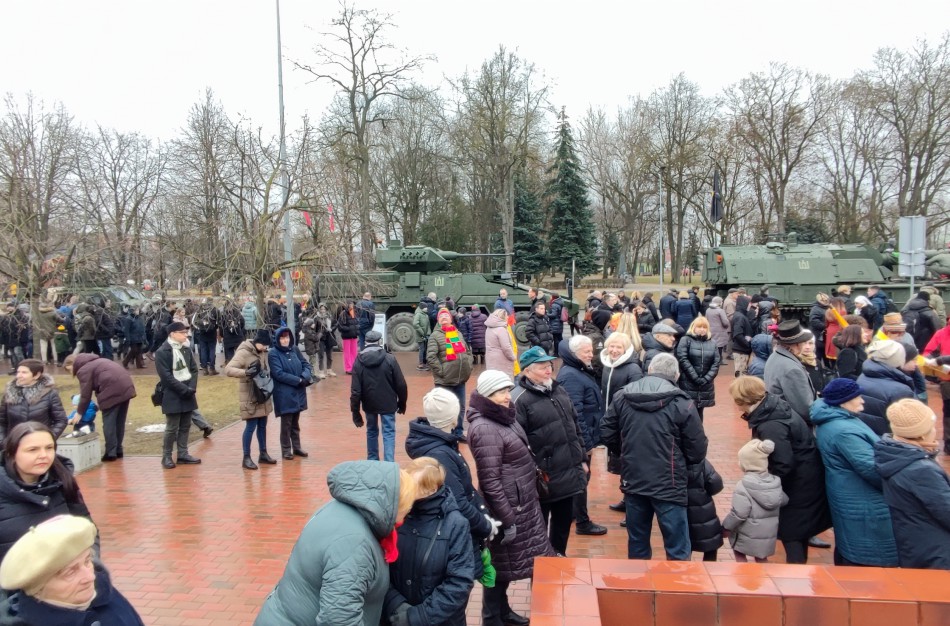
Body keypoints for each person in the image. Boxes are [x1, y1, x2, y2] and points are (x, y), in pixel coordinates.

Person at [254, 461, 419, 626]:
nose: (407, 515)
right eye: (408, 507)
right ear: (395, 505)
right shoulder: (354, 544)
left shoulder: (339, 508)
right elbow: (339, 618)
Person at [600, 353, 709, 560]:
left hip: (634, 478)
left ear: (649, 370)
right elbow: (697, 447)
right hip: (670, 482)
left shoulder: (622, 396)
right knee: (677, 546)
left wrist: (626, 452)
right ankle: (676, 587)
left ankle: (641, 586)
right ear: (676, 375)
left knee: (637, 543)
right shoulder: (682, 402)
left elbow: (607, 432)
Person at [467, 370, 553, 626]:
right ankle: (492, 618)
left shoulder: (503, 416)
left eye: (507, 390)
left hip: (523, 503)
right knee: (500, 567)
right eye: (502, 392)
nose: (508, 396)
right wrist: (508, 519)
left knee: (505, 567)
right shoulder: (485, 427)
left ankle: (503, 613)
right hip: (509, 509)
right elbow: (490, 482)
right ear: (487, 395)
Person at [729, 376, 832, 563]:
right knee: (797, 531)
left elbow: (783, 462)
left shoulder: (771, 424)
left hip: (799, 483)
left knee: (792, 531)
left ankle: (795, 573)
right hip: (806, 475)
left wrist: (767, 485)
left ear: (742, 400)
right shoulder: (774, 408)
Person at [405, 388, 498, 579]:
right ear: (453, 418)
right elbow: (459, 501)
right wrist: (485, 526)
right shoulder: (440, 453)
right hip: (452, 536)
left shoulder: (439, 445)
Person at [810, 378, 898, 567]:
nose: (862, 401)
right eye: (858, 397)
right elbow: (872, 470)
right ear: (843, 401)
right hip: (862, 502)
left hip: (853, 496)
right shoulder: (844, 431)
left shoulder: (841, 420)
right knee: (866, 557)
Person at [511, 346, 588, 555]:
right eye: (542, 367)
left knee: (562, 526)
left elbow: (574, 425)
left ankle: (558, 559)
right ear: (526, 371)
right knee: (539, 531)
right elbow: (517, 444)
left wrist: (582, 458)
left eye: (549, 365)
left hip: (568, 474)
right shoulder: (519, 399)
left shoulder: (558, 389)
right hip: (542, 480)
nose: (548, 370)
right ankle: (542, 570)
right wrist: (534, 472)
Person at [0, 515, 144, 625]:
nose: (90, 577)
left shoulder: (105, 594)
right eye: (70, 572)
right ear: (38, 589)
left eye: (87, 561)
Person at [383, 457, 475, 626]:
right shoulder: (395, 515)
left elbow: (459, 581)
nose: (405, 488)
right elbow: (379, 568)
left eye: (413, 485)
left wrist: (418, 617)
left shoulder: (456, 524)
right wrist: (397, 606)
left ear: (431, 489)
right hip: (395, 619)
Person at [0, 421, 95, 562]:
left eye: (49, 448)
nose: (43, 455)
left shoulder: (63, 481)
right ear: (11, 453)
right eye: (33, 450)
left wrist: (92, 563)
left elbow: (88, 530)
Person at [875, 399, 950, 570]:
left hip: (916, 545)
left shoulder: (893, 454)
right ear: (922, 434)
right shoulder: (921, 470)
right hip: (938, 553)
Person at [555, 336, 608, 537]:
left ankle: (573, 514)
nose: (591, 354)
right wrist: (585, 443)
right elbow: (574, 413)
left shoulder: (578, 371)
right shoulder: (571, 376)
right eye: (586, 351)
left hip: (585, 436)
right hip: (580, 440)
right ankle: (582, 522)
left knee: (581, 477)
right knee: (580, 478)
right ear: (574, 353)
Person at [63, 353, 137, 462]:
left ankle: (110, 453)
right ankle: (118, 450)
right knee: (119, 421)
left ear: (73, 363)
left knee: (109, 422)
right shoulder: (97, 361)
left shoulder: (83, 370)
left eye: (70, 369)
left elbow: (85, 395)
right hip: (126, 387)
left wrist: (79, 413)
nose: (71, 373)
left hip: (111, 390)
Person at [723, 439, 787, 563]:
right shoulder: (775, 482)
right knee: (762, 558)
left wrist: (726, 527)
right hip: (767, 534)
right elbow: (783, 500)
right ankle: (764, 580)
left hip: (746, 533)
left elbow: (739, 513)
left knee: (739, 552)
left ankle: (743, 576)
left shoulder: (743, 485)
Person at [351, 330, 407, 462]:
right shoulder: (390, 359)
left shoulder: (359, 361)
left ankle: (372, 461)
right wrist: (402, 403)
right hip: (388, 403)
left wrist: (355, 412)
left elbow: (355, 391)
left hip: (369, 403)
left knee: (371, 431)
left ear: (365, 343)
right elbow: (401, 384)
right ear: (380, 342)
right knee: (388, 433)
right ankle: (389, 463)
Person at [225, 329, 277, 470]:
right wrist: (246, 373)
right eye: (264, 345)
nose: (266, 348)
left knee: (262, 425)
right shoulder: (243, 352)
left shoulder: (262, 352)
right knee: (250, 427)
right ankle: (246, 457)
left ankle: (263, 453)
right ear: (257, 342)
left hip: (262, 393)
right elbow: (228, 369)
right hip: (250, 395)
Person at [154, 321, 201, 469]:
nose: (185, 335)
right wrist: (183, 389)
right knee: (172, 427)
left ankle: (183, 453)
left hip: (188, 391)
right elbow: (166, 377)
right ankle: (167, 456)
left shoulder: (186, 349)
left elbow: (194, 369)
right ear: (172, 334)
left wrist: (192, 387)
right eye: (182, 332)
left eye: (186, 332)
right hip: (173, 393)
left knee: (186, 425)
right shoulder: (163, 352)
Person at [427, 308, 473, 440]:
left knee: (460, 407)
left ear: (451, 318)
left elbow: (467, 351)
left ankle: (458, 433)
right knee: (444, 409)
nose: (444, 318)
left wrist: (468, 365)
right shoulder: (435, 336)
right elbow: (431, 357)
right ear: (438, 321)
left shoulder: (457, 333)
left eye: (446, 316)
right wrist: (442, 371)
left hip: (460, 379)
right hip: (444, 381)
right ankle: (445, 434)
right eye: (441, 317)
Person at [269, 327, 313, 461]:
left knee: (295, 421)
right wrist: (298, 380)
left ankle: (297, 447)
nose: (285, 340)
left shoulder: (294, 349)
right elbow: (278, 373)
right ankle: (286, 449)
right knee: (286, 422)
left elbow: (306, 364)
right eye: (282, 338)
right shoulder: (273, 354)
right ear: (278, 339)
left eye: (287, 337)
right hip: (284, 393)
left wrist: (305, 376)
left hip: (298, 391)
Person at [0, 359, 67, 445]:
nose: (19, 375)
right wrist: (4, 442)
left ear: (36, 375)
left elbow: (61, 420)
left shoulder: (50, 394)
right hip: (13, 447)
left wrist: (48, 439)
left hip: (41, 446)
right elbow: (1, 422)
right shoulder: (9, 394)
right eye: (18, 372)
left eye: (24, 372)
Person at [763, 321, 816, 426]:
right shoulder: (792, 369)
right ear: (797, 344)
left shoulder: (775, 356)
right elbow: (805, 408)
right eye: (803, 342)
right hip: (793, 424)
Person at [857, 340, 912, 433]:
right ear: (897, 359)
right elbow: (908, 425)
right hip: (890, 440)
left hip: (869, 433)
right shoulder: (901, 390)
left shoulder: (864, 376)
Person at [675, 316, 721, 420]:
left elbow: (716, 362)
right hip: (688, 383)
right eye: (699, 327)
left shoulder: (712, 343)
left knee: (700, 412)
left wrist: (706, 378)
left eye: (704, 327)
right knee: (688, 411)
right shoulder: (686, 340)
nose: (702, 329)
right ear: (693, 327)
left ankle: (698, 434)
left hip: (705, 385)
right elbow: (682, 359)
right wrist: (695, 377)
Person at [686, 458, 725, 562]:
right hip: (703, 510)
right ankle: (709, 568)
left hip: (681, 508)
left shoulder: (669, 459)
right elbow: (715, 484)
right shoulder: (701, 462)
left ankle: (684, 570)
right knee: (710, 544)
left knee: (684, 545)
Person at [922, 322, 950, 455]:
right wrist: (930, 361)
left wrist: (941, 360)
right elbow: (928, 352)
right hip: (947, 379)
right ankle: (949, 443)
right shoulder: (942, 333)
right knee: (949, 411)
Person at [484, 308, 516, 377]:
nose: (508, 317)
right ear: (503, 317)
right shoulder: (501, 329)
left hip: (491, 359)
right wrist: (513, 357)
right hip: (502, 362)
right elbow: (506, 347)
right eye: (506, 316)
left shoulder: (489, 328)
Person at [731, 296, 754, 376]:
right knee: (741, 376)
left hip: (741, 349)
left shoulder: (740, 315)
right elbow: (738, 334)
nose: (749, 306)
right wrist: (748, 345)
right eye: (748, 304)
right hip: (741, 351)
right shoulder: (740, 317)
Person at [337, 301, 360, 374]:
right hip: (347, 336)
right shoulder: (343, 313)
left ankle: (354, 367)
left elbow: (358, 322)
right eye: (350, 304)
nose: (351, 306)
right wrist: (349, 329)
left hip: (354, 336)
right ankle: (348, 368)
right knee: (347, 353)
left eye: (352, 304)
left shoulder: (355, 312)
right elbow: (340, 326)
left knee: (354, 352)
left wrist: (357, 328)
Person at [413, 302, 431, 371]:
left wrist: (428, 334)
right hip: (420, 336)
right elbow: (415, 324)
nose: (427, 308)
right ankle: (421, 364)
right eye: (426, 307)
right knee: (421, 349)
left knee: (425, 349)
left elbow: (428, 325)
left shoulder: (425, 315)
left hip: (425, 336)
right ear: (422, 308)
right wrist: (422, 333)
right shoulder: (418, 314)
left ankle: (424, 362)